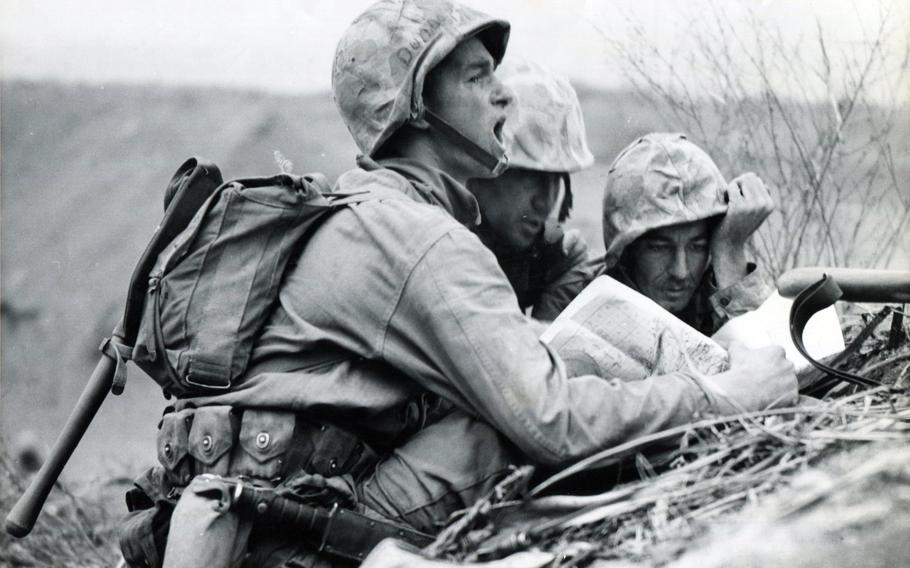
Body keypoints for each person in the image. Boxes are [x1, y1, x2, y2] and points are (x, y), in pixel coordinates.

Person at [130, 3, 797, 567]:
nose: (503, 95)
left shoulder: (369, 208)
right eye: (478, 77)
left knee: (559, 363)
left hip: (276, 509)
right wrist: (718, 396)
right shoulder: (426, 241)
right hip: (299, 535)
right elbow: (550, 424)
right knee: (513, 426)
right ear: (418, 109)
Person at [600, 132, 775, 335]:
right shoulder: (584, 306)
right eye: (659, 248)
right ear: (626, 252)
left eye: (697, 247)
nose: (680, 272)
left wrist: (729, 249)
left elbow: (769, 356)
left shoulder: (711, 300)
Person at [465, 58, 596, 321]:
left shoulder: (552, 254)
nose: (545, 201)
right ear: (482, 169)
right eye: (529, 176)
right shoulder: (441, 243)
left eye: (556, 178)